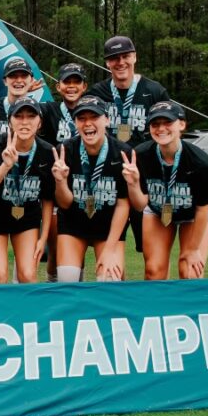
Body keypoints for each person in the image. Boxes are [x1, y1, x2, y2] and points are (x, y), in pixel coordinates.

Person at [87, 35, 172, 253]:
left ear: (134, 57)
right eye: (114, 58)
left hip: (145, 178)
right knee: (109, 246)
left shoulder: (154, 91)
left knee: (151, 252)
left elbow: (169, 131)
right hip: (110, 178)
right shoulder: (97, 93)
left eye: (125, 56)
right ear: (107, 63)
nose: (121, 62)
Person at [121, 101, 208, 280]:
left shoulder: (200, 161)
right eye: (155, 124)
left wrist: (193, 250)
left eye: (167, 122)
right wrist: (133, 184)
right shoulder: (140, 155)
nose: (161, 128)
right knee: (153, 271)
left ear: (181, 124)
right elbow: (140, 205)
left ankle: (189, 299)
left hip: (194, 214)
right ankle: (158, 300)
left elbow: (203, 208)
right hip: (158, 210)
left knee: (189, 271)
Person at [51, 95, 131, 282]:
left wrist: (109, 249)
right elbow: (64, 204)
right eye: (81, 118)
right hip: (73, 224)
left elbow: (123, 205)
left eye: (94, 117)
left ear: (107, 120)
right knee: (67, 279)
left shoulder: (122, 152)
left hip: (107, 227)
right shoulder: (65, 150)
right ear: (75, 123)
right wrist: (60, 181)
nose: (88, 123)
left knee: (109, 280)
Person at [0, 97, 55, 283]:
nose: (24, 122)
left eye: (31, 116)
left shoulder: (47, 151)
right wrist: (5, 166)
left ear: (40, 123)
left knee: (28, 276)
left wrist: (43, 238)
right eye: (19, 116)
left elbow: (47, 199)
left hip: (27, 219)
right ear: (9, 121)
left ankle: (25, 306)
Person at [39, 63, 89, 282]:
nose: (71, 86)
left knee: (79, 244)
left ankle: (77, 285)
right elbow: (19, 113)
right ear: (58, 86)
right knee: (56, 247)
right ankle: (52, 286)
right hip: (55, 188)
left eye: (76, 82)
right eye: (66, 82)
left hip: (83, 187)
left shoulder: (91, 113)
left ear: (84, 86)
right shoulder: (48, 110)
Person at [0, 56, 41, 137]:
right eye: (13, 76)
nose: (19, 80)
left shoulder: (38, 110)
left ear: (31, 80)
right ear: (5, 81)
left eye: (24, 75)